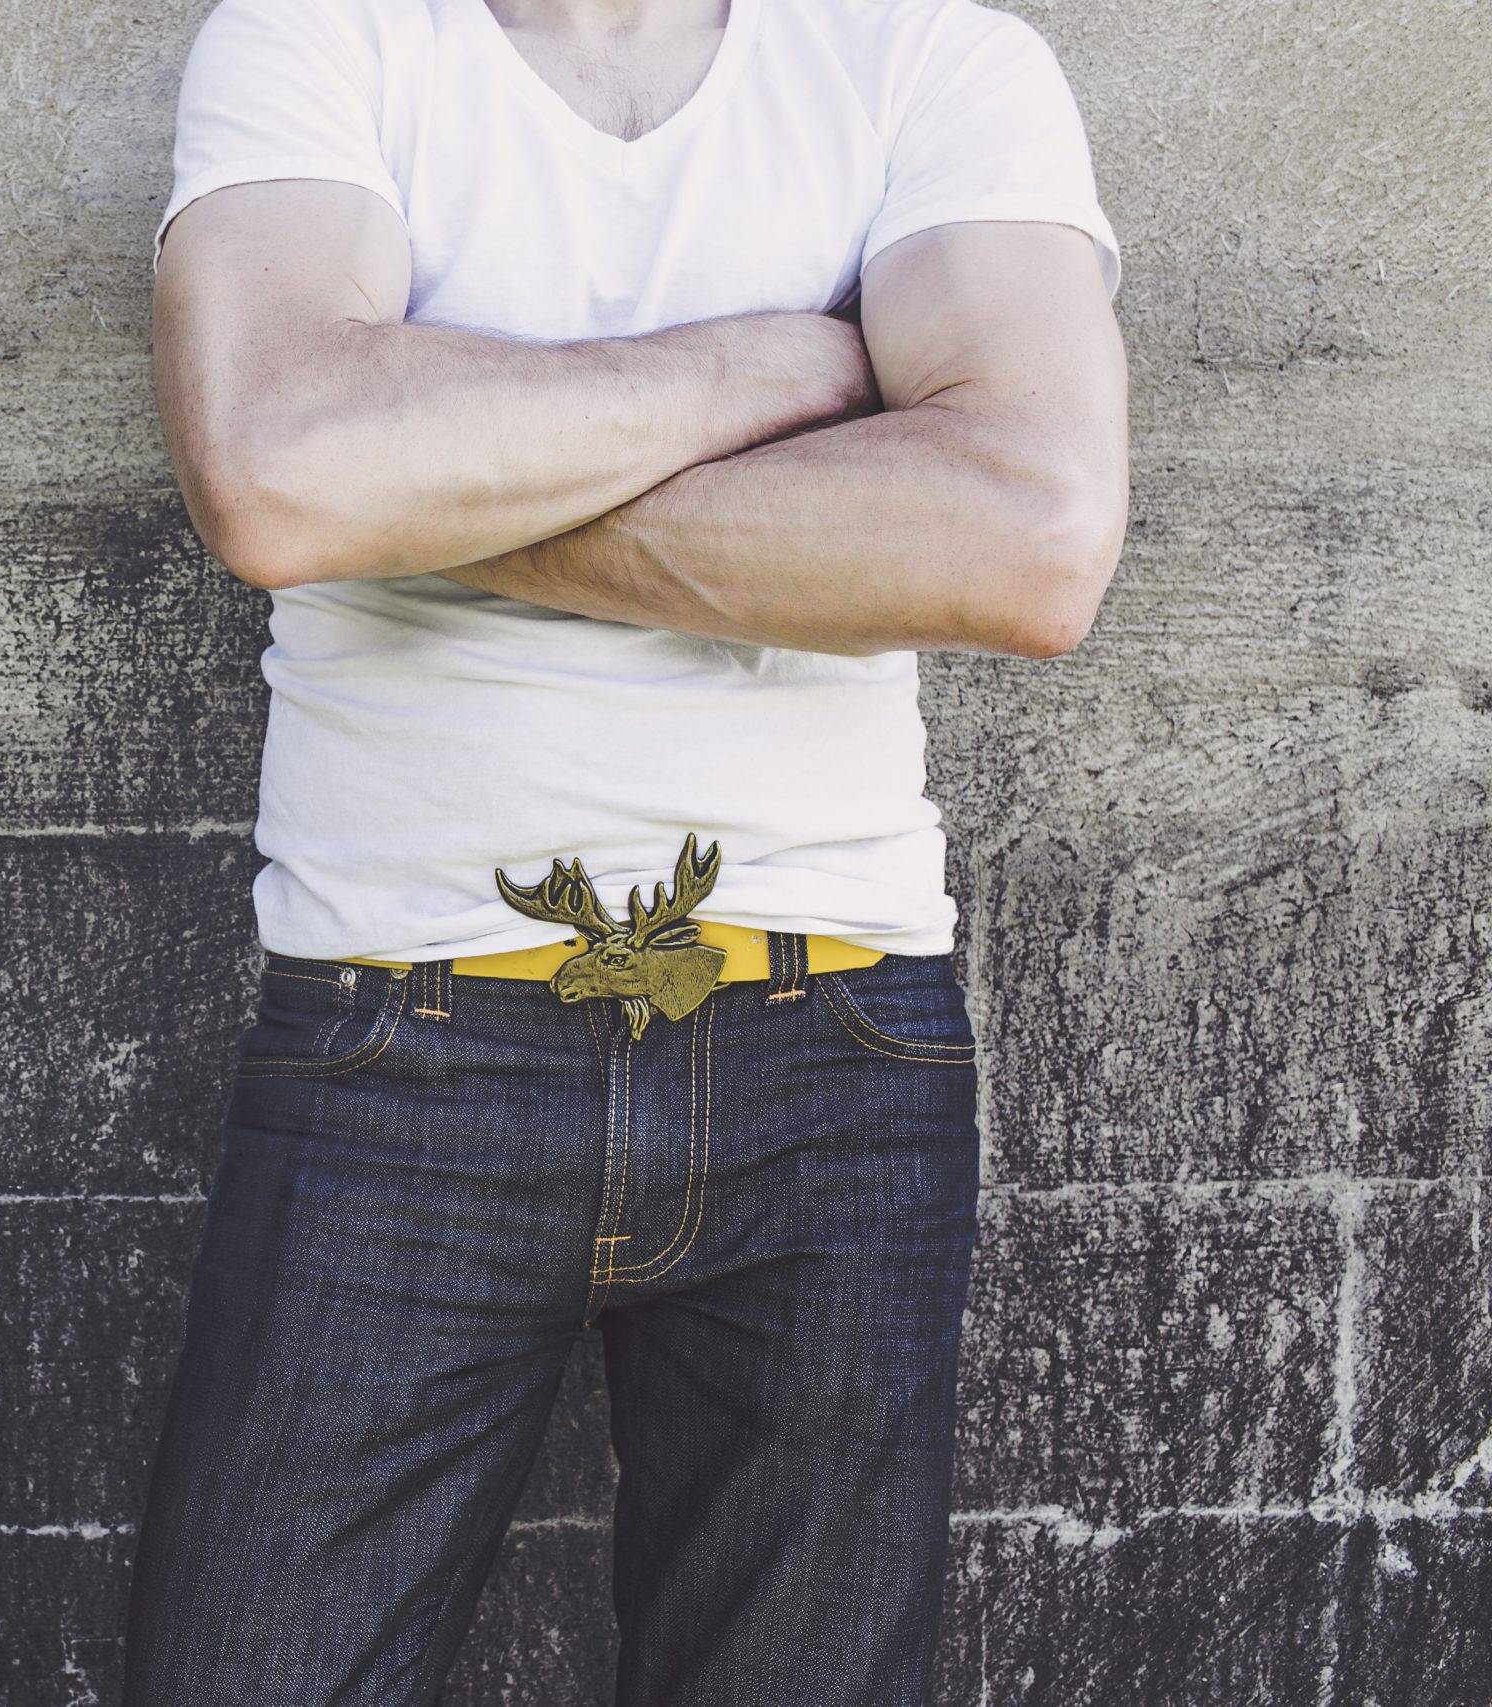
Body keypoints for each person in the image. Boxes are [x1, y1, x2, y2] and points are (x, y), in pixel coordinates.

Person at [122, 0, 1128, 1700]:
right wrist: (778, 369)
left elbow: (1028, 543)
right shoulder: (320, 40)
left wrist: (441, 477)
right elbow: (283, 473)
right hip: (401, 1031)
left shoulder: (933, 59)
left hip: (836, 1035)